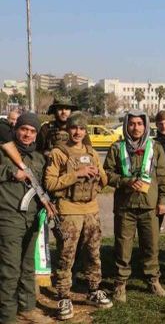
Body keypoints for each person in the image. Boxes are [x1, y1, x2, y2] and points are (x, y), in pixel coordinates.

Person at [44, 112, 112, 320]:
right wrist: (77, 174)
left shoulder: (91, 152)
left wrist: (98, 175)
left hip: (90, 210)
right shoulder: (59, 153)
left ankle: (93, 290)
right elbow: (50, 183)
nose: (78, 132)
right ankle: (63, 295)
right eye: (74, 128)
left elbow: (104, 179)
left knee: (93, 252)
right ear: (68, 129)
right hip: (68, 210)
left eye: (82, 128)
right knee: (66, 255)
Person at [103, 110, 165, 302]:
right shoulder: (117, 148)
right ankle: (120, 282)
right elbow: (106, 174)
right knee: (123, 246)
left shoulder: (155, 147)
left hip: (150, 207)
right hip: (125, 207)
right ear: (126, 125)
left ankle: (152, 278)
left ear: (146, 126)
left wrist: (163, 200)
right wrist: (125, 181)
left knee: (151, 245)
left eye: (139, 124)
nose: (136, 127)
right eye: (132, 124)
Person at [0, 113, 52, 323]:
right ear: (16, 129)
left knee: (27, 265)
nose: (27, 134)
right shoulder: (3, 153)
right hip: (8, 217)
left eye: (32, 131)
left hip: (31, 219)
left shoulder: (38, 158)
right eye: (24, 129)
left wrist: (47, 204)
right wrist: (12, 172)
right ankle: (7, 315)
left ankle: (27, 307)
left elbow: (41, 188)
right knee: (10, 269)